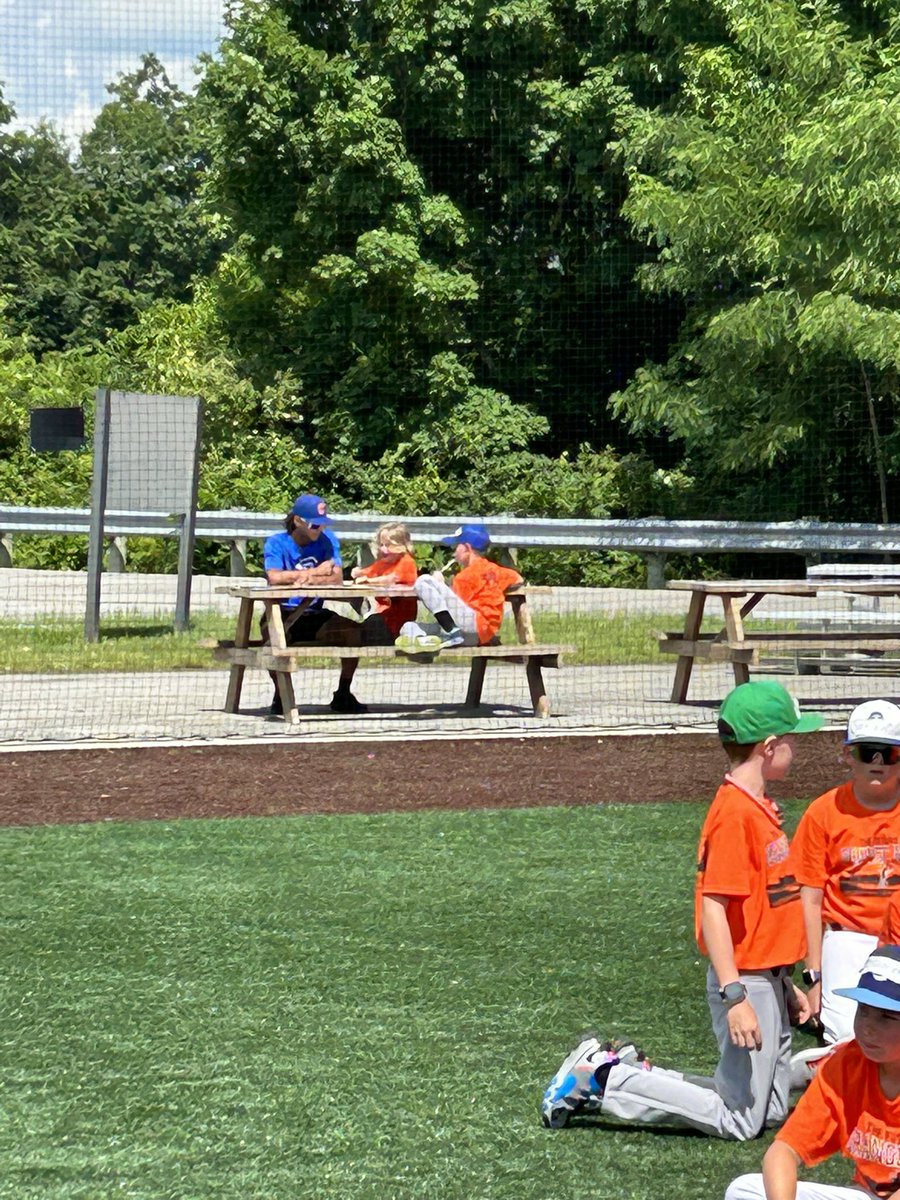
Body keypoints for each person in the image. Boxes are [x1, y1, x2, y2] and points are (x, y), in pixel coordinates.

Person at [541, 679, 824, 1139]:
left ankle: (628, 1071)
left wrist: (784, 981)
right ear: (769, 748)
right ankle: (604, 1079)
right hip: (745, 981)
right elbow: (714, 907)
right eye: (792, 738)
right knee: (739, 1121)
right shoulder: (735, 814)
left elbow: (763, 908)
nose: (798, 747)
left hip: (766, 978)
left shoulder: (757, 807)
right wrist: (736, 996)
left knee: (768, 1112)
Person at [725, 944, 900, 1200]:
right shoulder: (846, 1065)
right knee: (744, 1190)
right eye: (863, 1010)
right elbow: (783, 1151)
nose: (868, 1027)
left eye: (886, 1017)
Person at [791, 701, 900, 1052]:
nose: (878, 763)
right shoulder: (824, 812)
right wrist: (815, 975)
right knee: (845, 1038)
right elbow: (809, 895)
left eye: (889, 753)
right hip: (847, 937)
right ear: (848, 755)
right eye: (868, 752)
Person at [262, 493, 366, 715]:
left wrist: (306, 578)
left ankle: (343, 693)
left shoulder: (328, 541)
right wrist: (316, 571)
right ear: (298, 521)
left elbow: (336, 578)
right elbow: (274, 577)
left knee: (352, 633)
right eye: (314, 525)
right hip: (282, 612)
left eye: (322, 525)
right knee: (272, 641)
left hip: (314, 614)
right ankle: (281, 694)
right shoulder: (276, 542)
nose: (319, 530)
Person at [395, 523, 522, 652]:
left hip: (470, 626)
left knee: (423, 580)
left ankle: (449, 631)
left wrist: (439, 584)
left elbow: (454, 608)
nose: (454, 552)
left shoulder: (464, 577)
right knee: (408, 626)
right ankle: (427, 639)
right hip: (478, 637)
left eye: (457, 547)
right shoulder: (496, 570)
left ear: (467, 548)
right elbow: (518, 579)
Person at [349, 522, 419, 645]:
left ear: (400, 546)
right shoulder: (384, 562)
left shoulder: (407, 562)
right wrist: (357, 572)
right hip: (383, 618)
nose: (383, 549)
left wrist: (368, 580)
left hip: (399, 626)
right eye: (381, 545)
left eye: (388, 545)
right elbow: (370, 571)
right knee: (345, 627)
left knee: (354, 632)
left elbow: (392, 578)